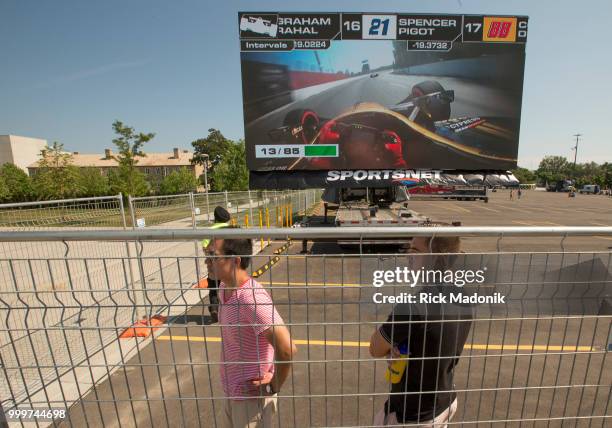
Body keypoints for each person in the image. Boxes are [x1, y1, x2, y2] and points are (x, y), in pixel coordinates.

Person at [369, 235, 472, 427]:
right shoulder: (463, 295)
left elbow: (375, 348)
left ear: (435, 257)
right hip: (445, 400)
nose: (409, 255)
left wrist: (384, 333)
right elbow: (433, 339)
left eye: (415, 250)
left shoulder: (412, 306)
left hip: (412, 414)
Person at [205, 236, 297, 428]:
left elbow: (287, 347)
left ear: (235, 261)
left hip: (251, 402)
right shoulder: (224, 288)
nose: (206, 261)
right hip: (233, 393)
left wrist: (274, 385)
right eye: (206, 254)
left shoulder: (251, 298)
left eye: (213, 256)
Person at [201, 206, 231, 323]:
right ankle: (230, 312)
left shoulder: (210, 230)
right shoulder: (231, 229)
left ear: (215, 218)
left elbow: (204, 246)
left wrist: (211, 257)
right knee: (229, 288)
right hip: (228, 265)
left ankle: (214, 308)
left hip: (214, 265)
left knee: (213, 287)